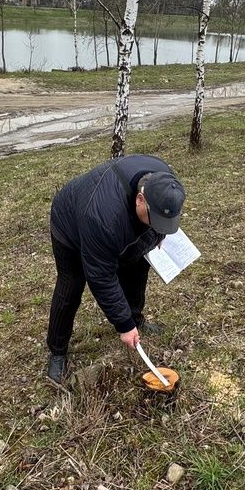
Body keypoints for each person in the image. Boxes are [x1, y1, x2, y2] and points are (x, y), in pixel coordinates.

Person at [45, 154, 186, 383]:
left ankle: (136, 317)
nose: (157, 226)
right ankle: (57, 350)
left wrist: (159, 232)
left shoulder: (165, 180)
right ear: (140, 199)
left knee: (137, 267)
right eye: (155, 220)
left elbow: (165, 210)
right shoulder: (102, 218)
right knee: (71, 285)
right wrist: (123, 325)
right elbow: (101, 277)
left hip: (118, 221)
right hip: (70, 226)